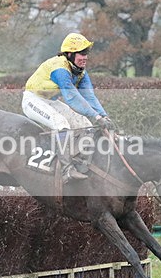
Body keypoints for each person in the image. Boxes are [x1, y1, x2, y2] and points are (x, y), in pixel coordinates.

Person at [22, 32, 115, 182]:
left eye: (86, 53)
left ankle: (81, 161)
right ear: (70, 54)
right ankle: (66, 170)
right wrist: (97, 116)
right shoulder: (60, 68)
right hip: (32, 100)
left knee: (86, 124)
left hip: (50, 101)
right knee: (61, 123)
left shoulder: (81, 72)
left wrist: (104, 116)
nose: (85, 57)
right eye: (81, 53)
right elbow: (72, 97)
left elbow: (89, 97)